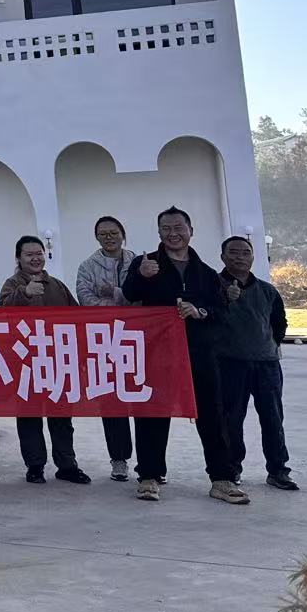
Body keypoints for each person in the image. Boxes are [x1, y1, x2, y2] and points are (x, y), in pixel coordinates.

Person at [122, 206, 242, 504]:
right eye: (166, 228)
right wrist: (141, 275)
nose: (172, 233)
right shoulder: (147, 263)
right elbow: (129, 294)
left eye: (178, 227)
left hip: (199, 354)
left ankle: (221, 478)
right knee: (152, 413)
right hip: (157, 353)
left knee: (212, 414)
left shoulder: (207, 274)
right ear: (159, 232)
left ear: (191, 231)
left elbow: (220, 312)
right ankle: (149, 476)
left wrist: (199, 312)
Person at [0, 236, 93, 486]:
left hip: (57, 361)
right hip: (26, 363)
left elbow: (77, 318)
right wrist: (24, 293)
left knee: (62, 416)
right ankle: (35, 466)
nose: (35, 258)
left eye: (39, 253)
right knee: (29, 416)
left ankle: (67, 465)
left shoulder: (57, 285)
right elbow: (4, 310)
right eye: (29, 254)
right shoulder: (12, 284)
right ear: (18, 258)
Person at [214, 236, 297, 492]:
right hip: (229, 364)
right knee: (231, 420)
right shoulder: (212, 287)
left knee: (273, 419)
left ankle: (278, 470)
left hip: (267, 364)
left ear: (253, 257)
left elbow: (279, 324)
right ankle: (231, 470)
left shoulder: (268, 291)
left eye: (245, 252)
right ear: (223, 257)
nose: (240, 257)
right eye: (233, 252)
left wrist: (268, 346)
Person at [74, 215, 139, 481]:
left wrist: (114, 293)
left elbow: (143, 299)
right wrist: (121, 303)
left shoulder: (139, 263)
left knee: (143, 400)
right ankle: (119, 459)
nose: (109, 238)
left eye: (113, 233)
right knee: (112, 402)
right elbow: (86, 300)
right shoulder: (87, 266)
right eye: (103, 234)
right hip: (105, 342)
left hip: (137, 339)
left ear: (123, 234)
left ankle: (150, 462)